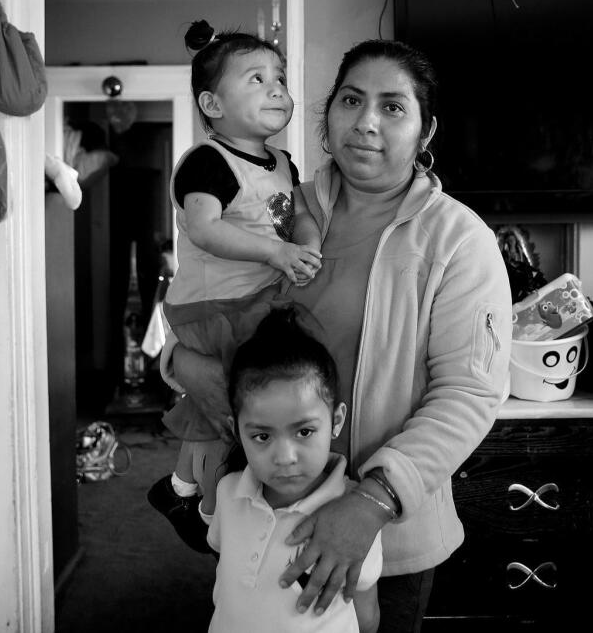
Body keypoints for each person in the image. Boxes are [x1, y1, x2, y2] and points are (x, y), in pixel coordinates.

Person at [165, 39, 513, 632]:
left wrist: (373, 500)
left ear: (426, 131)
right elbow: (204, 303)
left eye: (393, 107)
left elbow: (469, 395)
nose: (367, 122)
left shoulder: (458, 240)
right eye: (352, 100)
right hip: (265, 509)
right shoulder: (275, 210)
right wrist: (178, 363)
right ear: (328, 116)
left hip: (384, 535)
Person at [148, 19, 324, 554]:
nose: (276, 89)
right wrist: (276, 251)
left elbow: (299, 216)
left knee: (236, 404)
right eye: (255, 79)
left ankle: (185, 491)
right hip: (211, 306)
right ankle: (201, 506)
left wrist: (307, 242)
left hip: (253, 303)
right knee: (221, 408)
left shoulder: (284, 164)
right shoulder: (209, 161)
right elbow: (203, 226)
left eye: (279, 78)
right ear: (213, 104)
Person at [207, 308, 382, 633]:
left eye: (303, 432)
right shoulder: (229, 492)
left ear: (336, 422)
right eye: (262, 436)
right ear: (237, 431)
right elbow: (229, 585)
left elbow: (366, 614)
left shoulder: (353, 513)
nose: (285, 457)